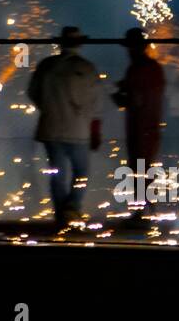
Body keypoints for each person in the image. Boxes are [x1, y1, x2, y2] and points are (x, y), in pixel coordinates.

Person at [28, 26, 103, 228]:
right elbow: (96, 103)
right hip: (78, 130)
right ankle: (73, 207)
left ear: (60, 43)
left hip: (51, 129)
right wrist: (94, 126)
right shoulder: (86, 68)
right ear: (80, 44)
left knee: (57, 174)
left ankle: (61, 216)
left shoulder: (46, 66)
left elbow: (33, 92)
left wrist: (47, 108)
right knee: (81, 172)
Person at [112, 28, 166, 205]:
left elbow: (139, 100)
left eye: (131, 47)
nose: (129, 51)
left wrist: (123, 96)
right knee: (140, 169)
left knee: (141, 169)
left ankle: (144, 210)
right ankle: (144, 209)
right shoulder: (145, 68)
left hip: (143, 128)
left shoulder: (143, 69)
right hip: (142, 127)